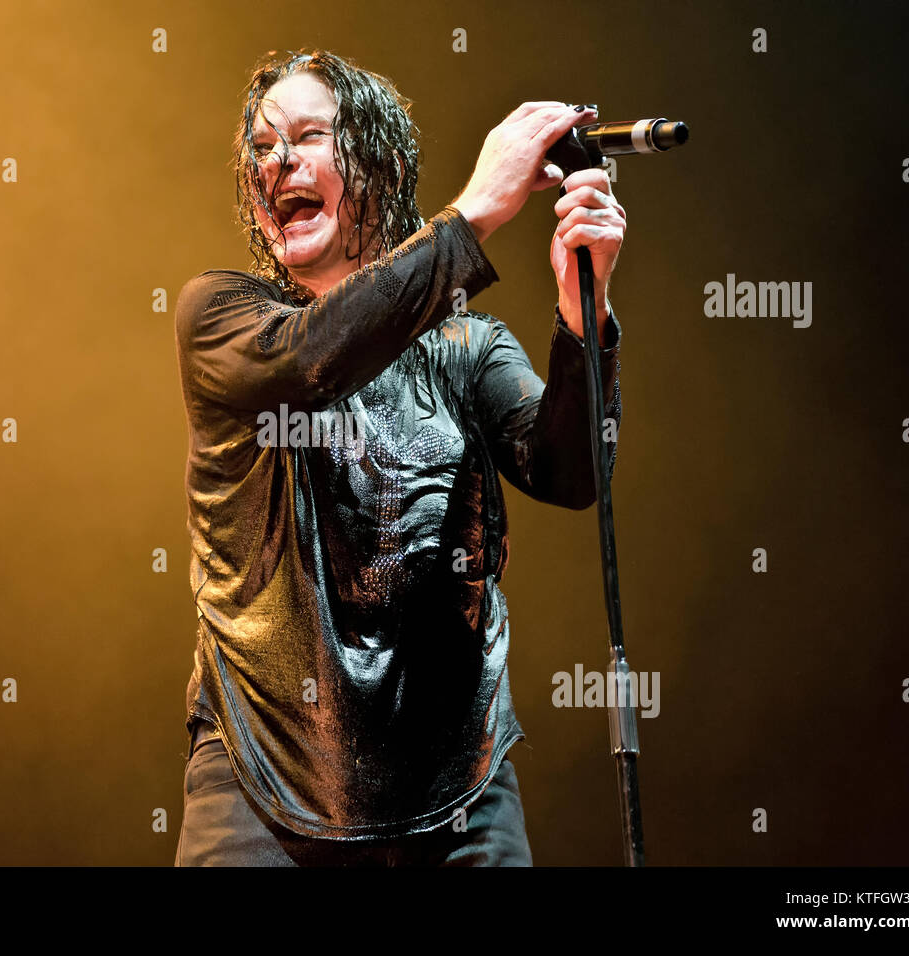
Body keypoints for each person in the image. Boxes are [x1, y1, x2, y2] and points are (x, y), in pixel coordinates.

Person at [172, 49, 625, 866]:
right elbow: (310, 360)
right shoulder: (224, 319)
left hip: (458, 784)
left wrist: (578, 315)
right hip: (263, 780)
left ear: (374, 164)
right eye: (264, 147)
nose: (280, 161)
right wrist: (477, 212)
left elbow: (569, 473)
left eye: (310, 135)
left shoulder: (466, 346)